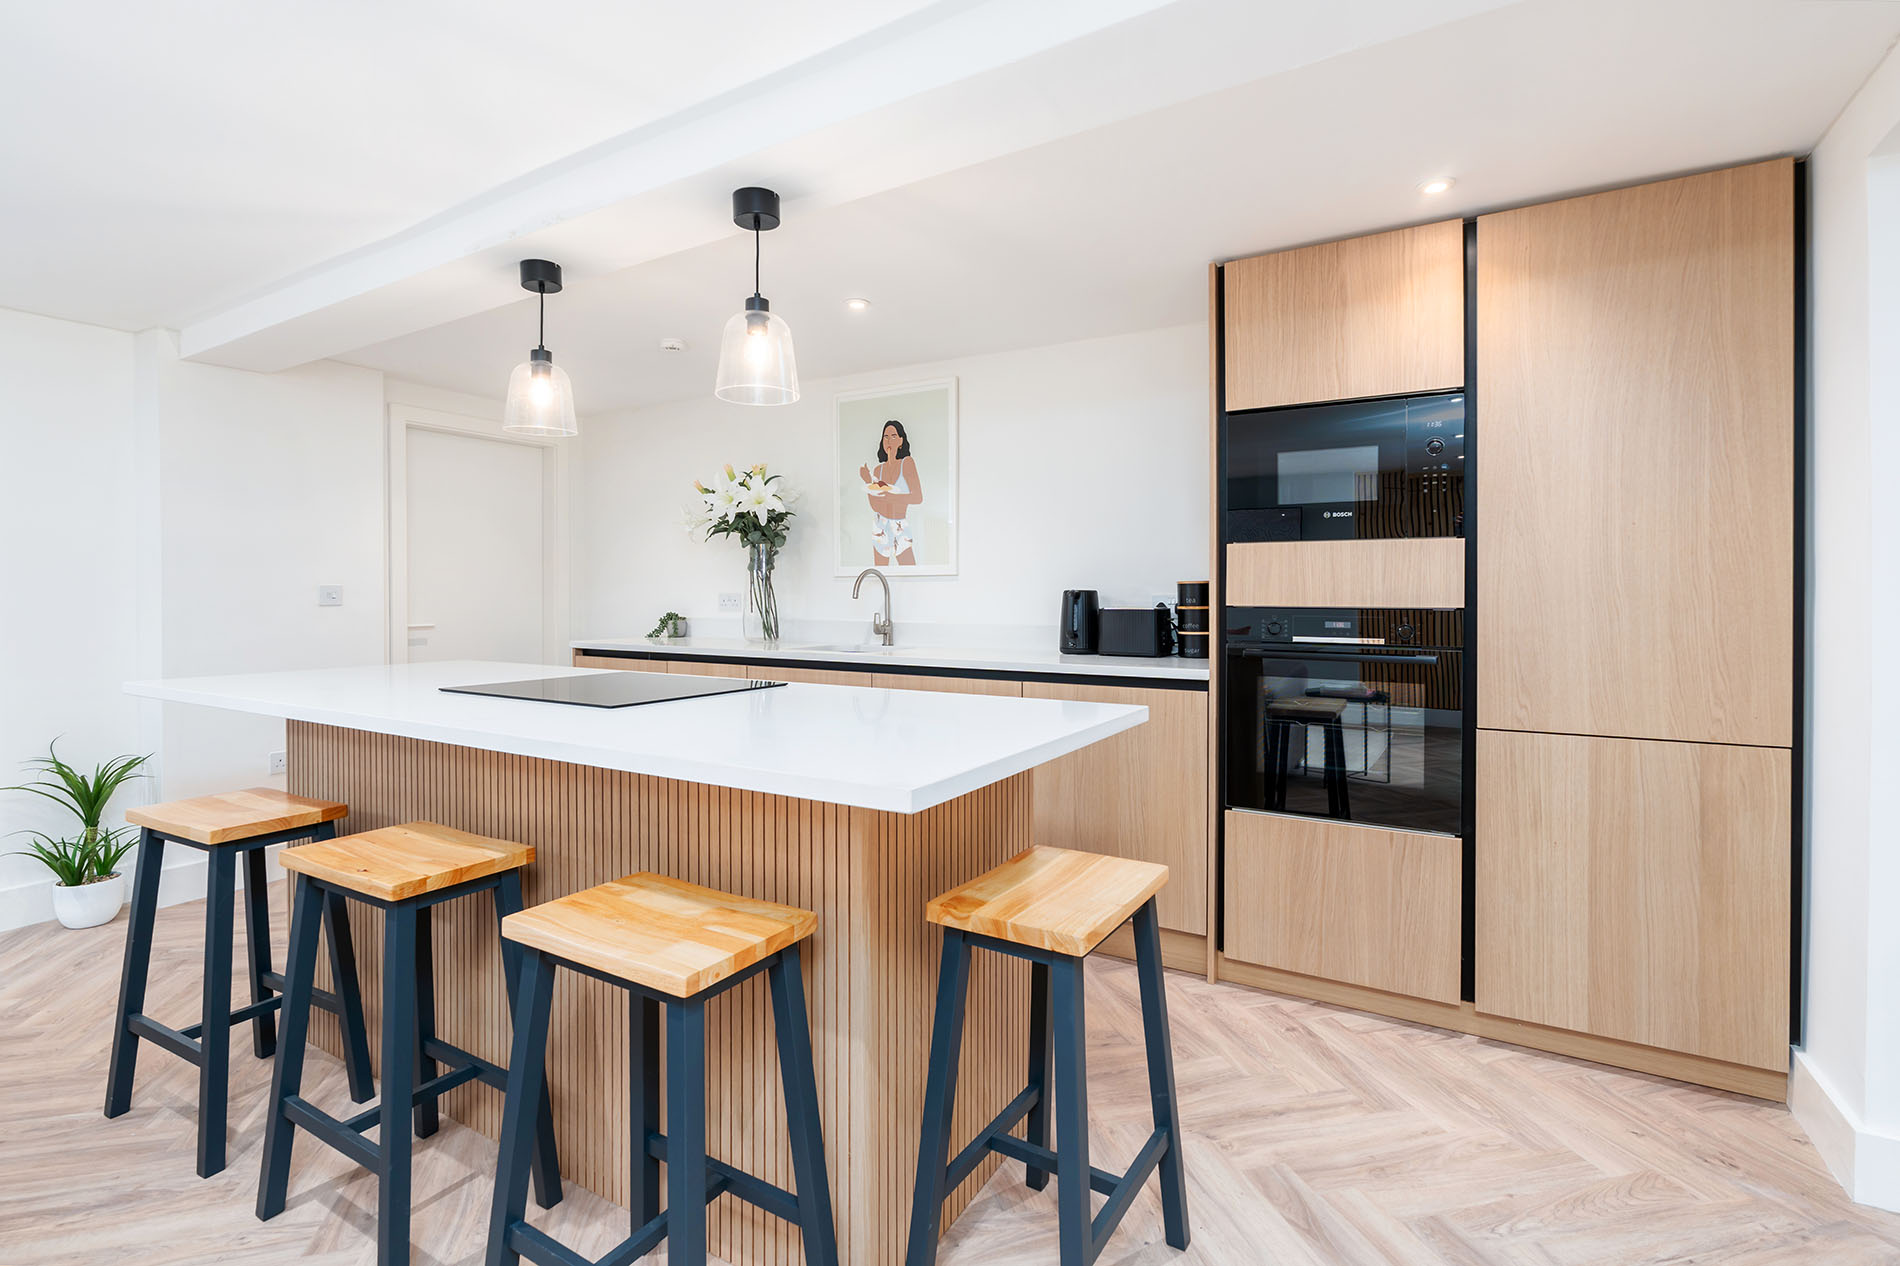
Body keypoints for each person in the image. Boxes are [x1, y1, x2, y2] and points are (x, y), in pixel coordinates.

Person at [858, 420, 923, 566]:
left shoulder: (907, 463)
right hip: (880, 525)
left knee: (909, 572)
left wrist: (891, 497)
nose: (889, 440)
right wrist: (868, 480)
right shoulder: (877, 470)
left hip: (900, 524)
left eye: (894, 436)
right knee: (880, 573)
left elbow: (918, 497)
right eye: (885, 436)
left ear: (901, 440)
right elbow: (875, 505)